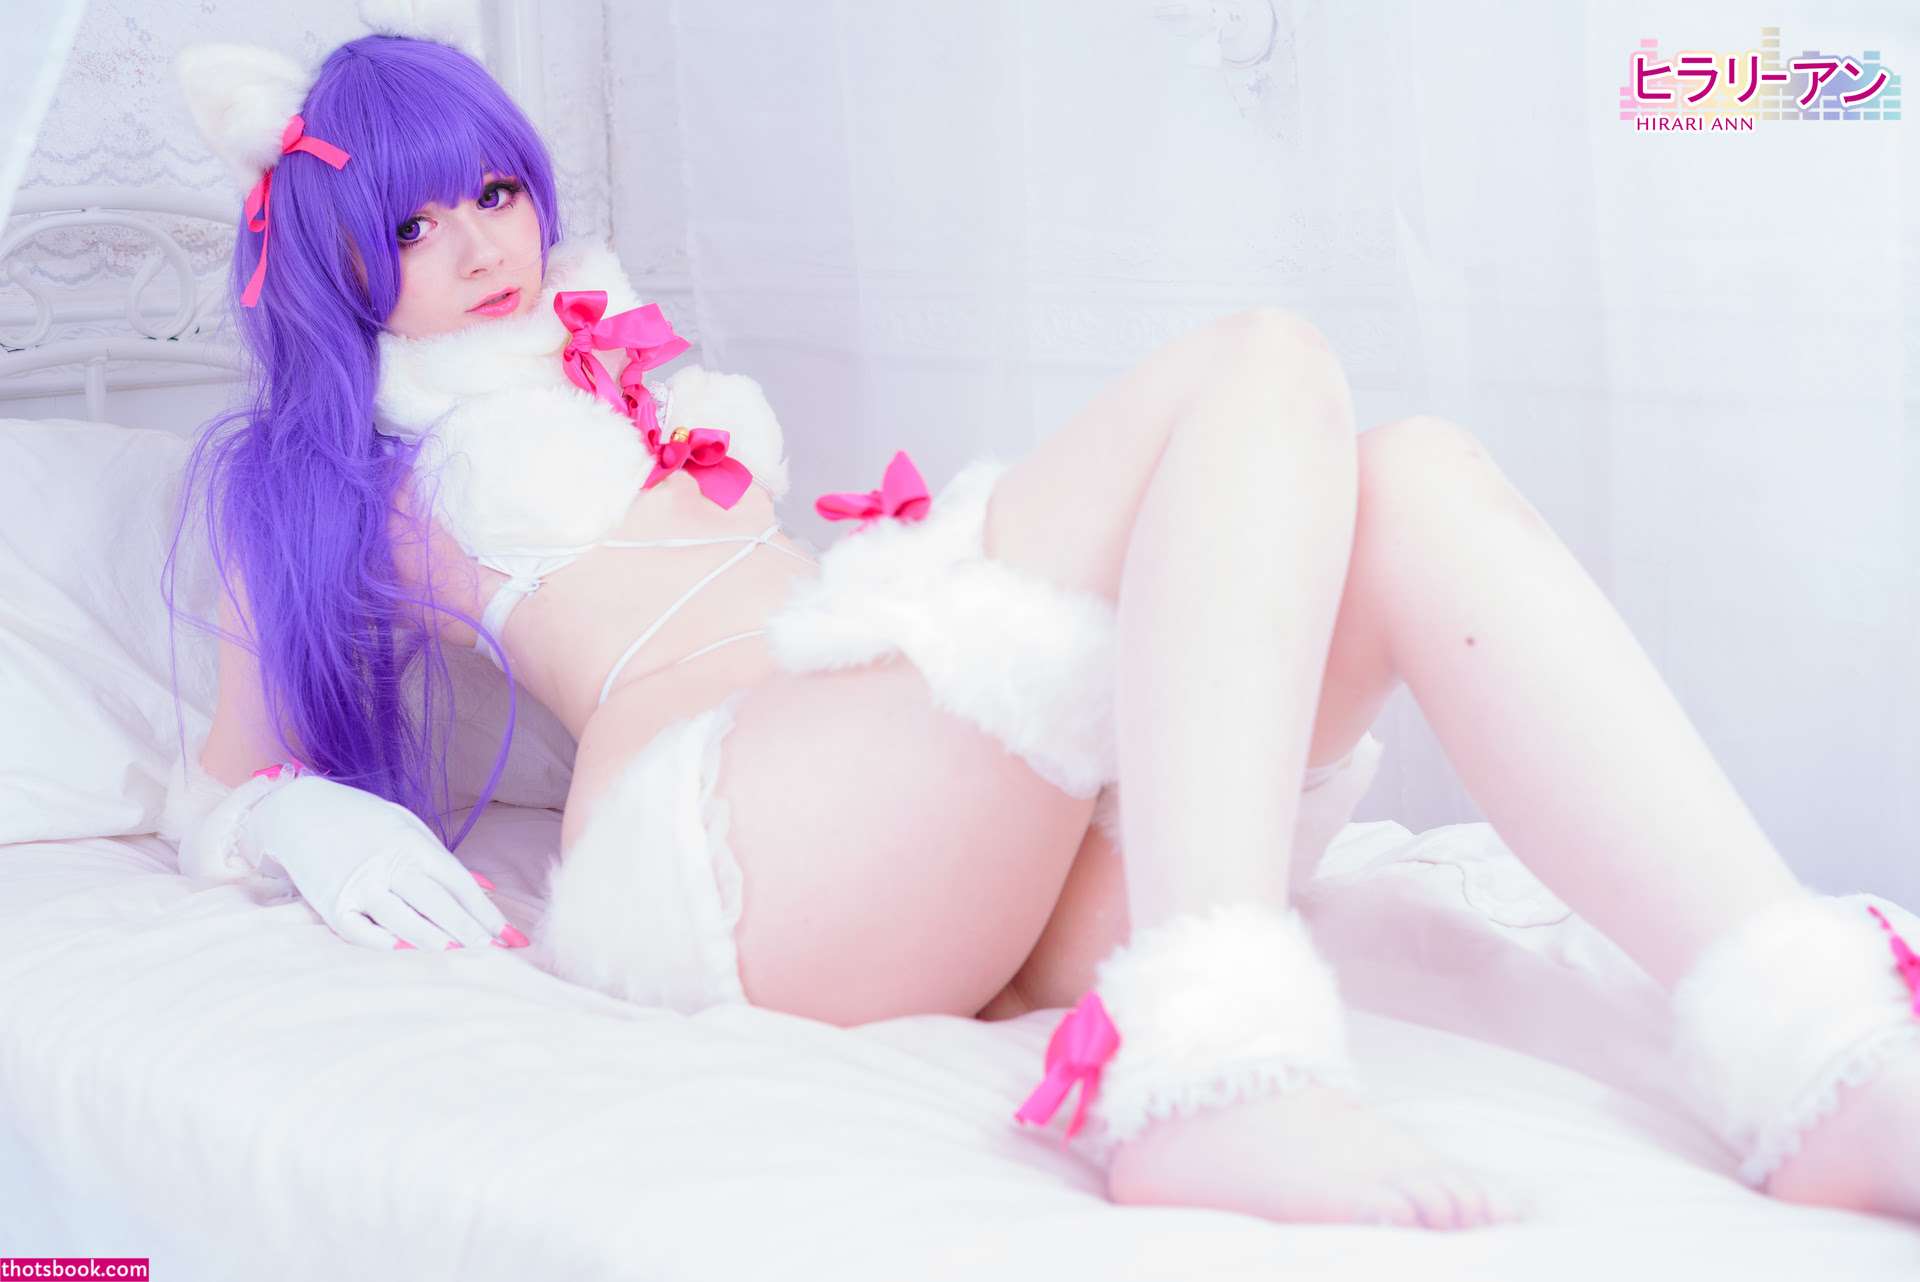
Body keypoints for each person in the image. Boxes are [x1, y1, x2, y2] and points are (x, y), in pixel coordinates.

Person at [156, 13, 1920, 1234]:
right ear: (333, 265)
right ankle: (1211, 1067)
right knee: (1258, 362)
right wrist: (291, 820)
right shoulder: (348, 467)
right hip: (724, 851)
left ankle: (1811, 1047)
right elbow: (223, 777)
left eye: (493, 191)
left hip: (933, 849)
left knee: (1417, 482)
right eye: (411, 222)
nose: (479, 241)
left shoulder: (619, 359)